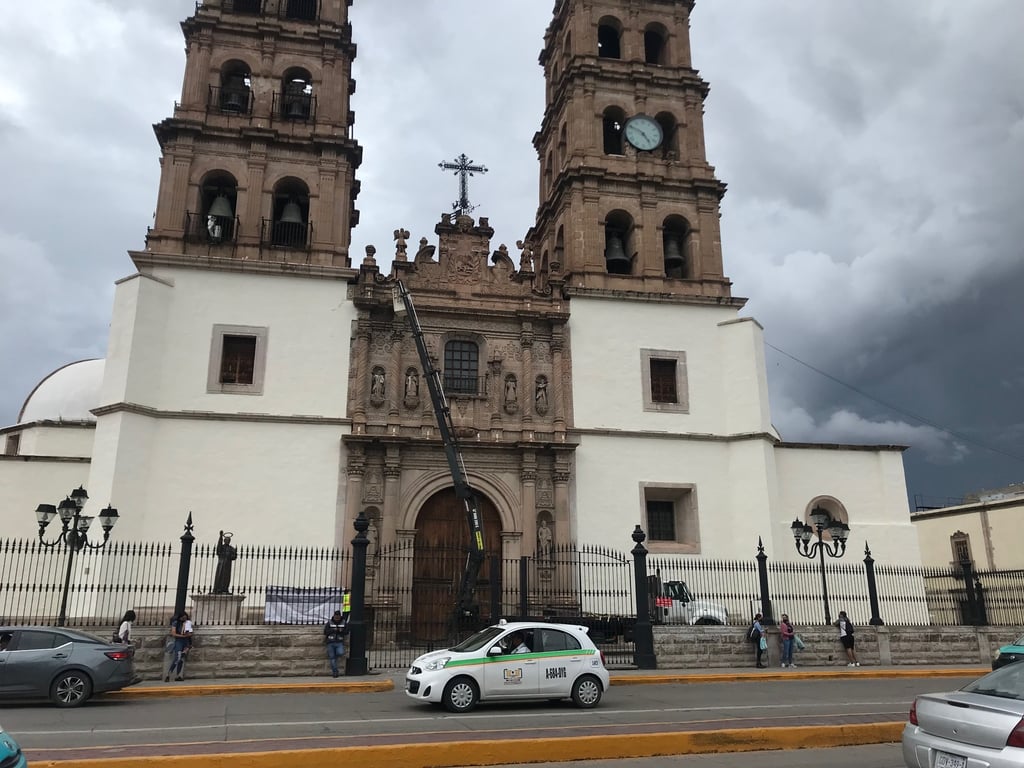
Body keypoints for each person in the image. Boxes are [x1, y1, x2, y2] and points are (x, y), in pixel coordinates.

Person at [165, 611, 194, 682]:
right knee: (177, 658)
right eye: (183, 617)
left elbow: (190, 632)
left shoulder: (188, 623)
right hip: (179, 641)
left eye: (186, 617)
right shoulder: (176, 623)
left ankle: (178, 675)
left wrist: (189, 635)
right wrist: (183, 636)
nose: (185, 618)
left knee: (181, 659)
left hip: (186, 642)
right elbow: (173, 633)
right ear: (180, 617)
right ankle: (168, 674)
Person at [324, 610, 348, 678]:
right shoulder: (329, 622)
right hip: (330, 642)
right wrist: (333, 630)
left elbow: (347, 631)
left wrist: (341, 631)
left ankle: (335, 657)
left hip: (339, 642)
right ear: (334, 616)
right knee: (332, 658)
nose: (337, 618)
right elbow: (325, 632)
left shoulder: (343, 622)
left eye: (338, 616)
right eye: (336, 616)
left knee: (340, 653)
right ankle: (335, 672)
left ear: (340, 616)